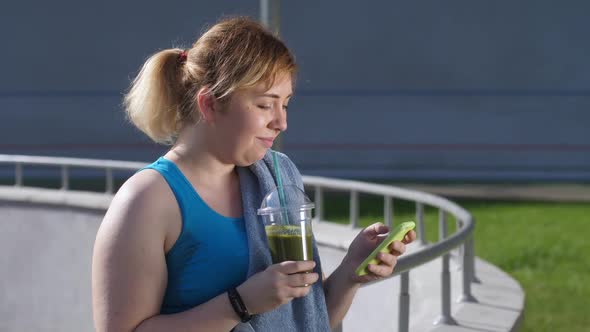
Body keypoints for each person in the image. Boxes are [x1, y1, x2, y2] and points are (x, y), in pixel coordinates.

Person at [92, 16, 416, 332]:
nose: (281, 122)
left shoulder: (277, 177)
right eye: (265, 105)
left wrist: (350, 273)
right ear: (209, 104)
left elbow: (305, 320)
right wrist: (240, 303)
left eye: (285, 104)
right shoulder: (147, 200)